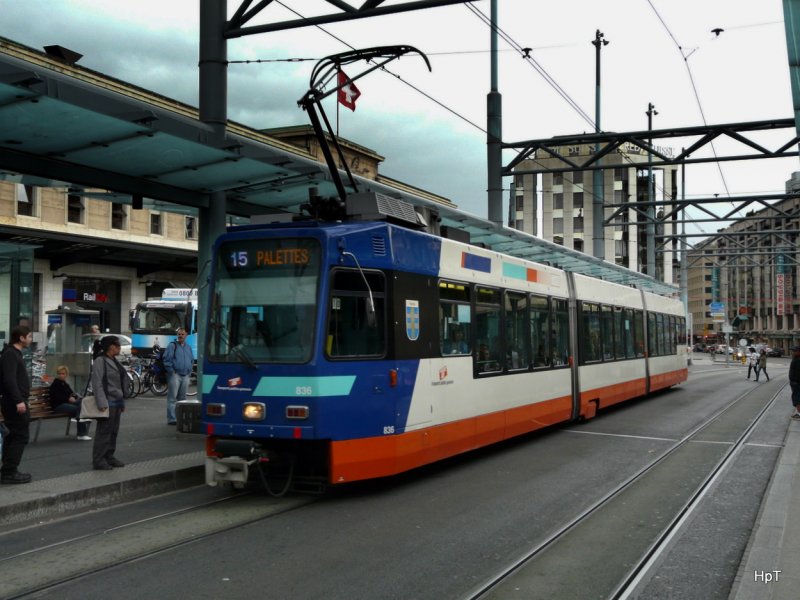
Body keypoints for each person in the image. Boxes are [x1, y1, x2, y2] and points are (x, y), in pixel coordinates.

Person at [0, 325, 33, 484]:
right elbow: (9, 379)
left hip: (13, 401)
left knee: (13, 435)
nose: (30, 339)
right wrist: (19, 400)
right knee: (20, 435)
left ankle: (7, 470)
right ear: (21, 338)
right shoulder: (11, 354)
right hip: (14, 402)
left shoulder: (13, 353)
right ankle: (9, 471)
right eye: (29, 336)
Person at [91, 335, 128, 470]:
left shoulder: (114, 360)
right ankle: (99, 459)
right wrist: (101, 403)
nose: (119, 347)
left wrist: (122, 401)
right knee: (104, 432)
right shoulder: (100, 361)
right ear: (110, 346)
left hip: (116, 401)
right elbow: (97, 383)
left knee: (113, 431)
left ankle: (109, 456)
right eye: (117, 345)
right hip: (107, 402)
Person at [49, 365, 92, 440]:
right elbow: (57, 398)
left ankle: (81, 417)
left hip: (66, 403)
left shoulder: (65, 384)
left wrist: (73, 397)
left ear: (66, 374)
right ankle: (81, 434)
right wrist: (68, 399)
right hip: (58, 406)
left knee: (82, 403)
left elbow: (72, 393)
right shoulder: (55, 384)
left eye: (63, 374)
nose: (61, 375)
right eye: (59, 374)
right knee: (79, 409)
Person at [163, 327, 194, 426]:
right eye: (179, 334)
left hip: (185, 375)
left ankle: (180, 418)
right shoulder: (172, 346)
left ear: (186, 335)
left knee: (182, 399)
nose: (180, 336)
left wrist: (189, 371)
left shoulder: (188, 347)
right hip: (175, 375)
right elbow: (167, 359)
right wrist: (172, 372)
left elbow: (192, 360)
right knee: (172, 398)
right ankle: (172, 419)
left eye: (182, 334)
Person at [790, 346, 800, 420]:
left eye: (794, 351)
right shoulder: (795, 359)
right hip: (795, 381)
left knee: (797, 398)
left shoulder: (798, 360)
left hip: (796, 382)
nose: (793, 352)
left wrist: (794, 381)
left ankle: (799, 413)